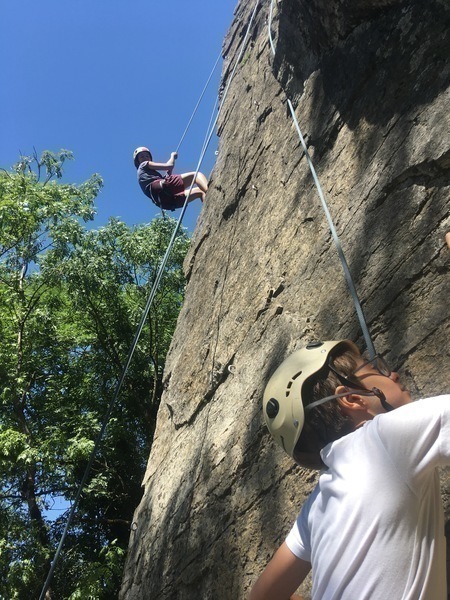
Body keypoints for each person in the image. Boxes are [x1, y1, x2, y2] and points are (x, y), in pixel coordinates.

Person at [250, 339, 449, 600]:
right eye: (375, 368)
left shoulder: (316, 507)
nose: (393, 374)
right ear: (352, 398)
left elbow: (262, 596)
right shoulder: (385, 436)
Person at [133, 146, 208, 211]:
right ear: (138, 161)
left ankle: (207, 209)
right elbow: (169, 166)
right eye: (142, 157)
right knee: (196, 175)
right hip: (163, 189)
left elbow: (168, 173)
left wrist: (172, 162)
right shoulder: (143, 165)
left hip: (165, 202)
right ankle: (209, 191)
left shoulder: (145, 175)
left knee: (200, 192)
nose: (145, 158)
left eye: (147, 156)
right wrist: (172, 156)